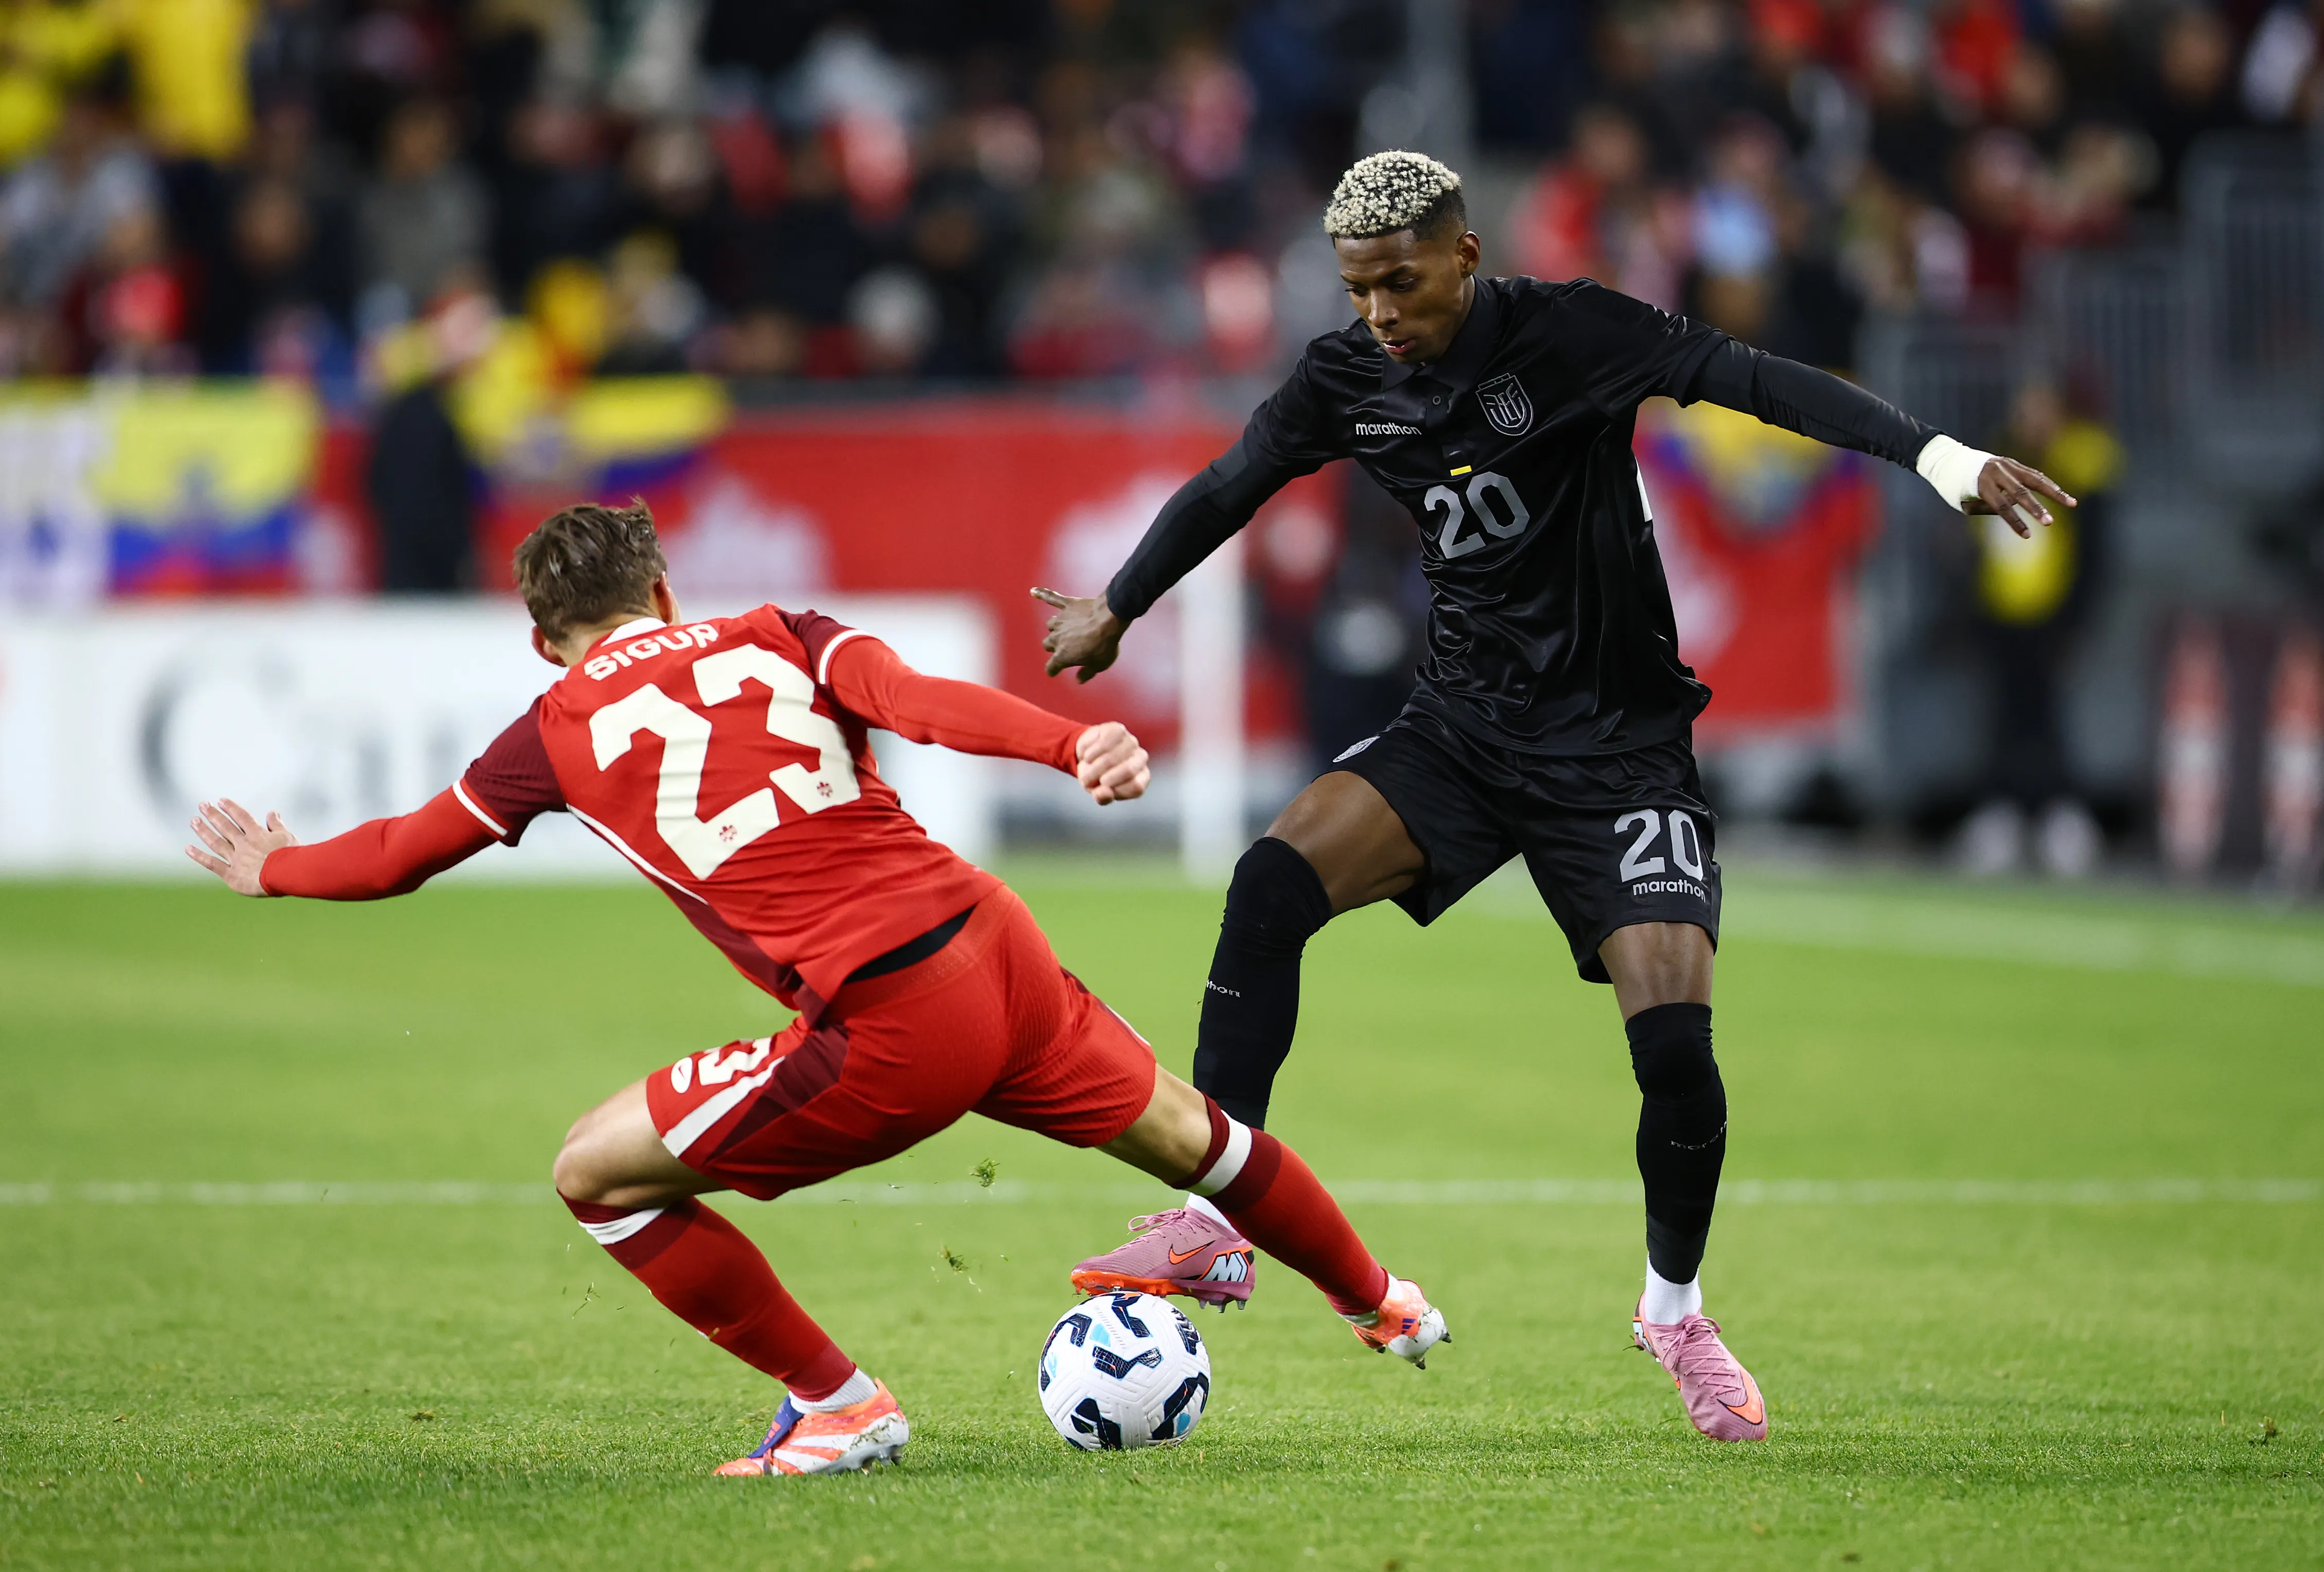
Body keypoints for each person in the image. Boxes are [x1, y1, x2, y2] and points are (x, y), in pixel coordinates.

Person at [1036, 151, 2073, 1444]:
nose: (1378, 315)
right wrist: (1119, 606)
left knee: (1676, 1058)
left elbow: (1753, 383)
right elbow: (1229, 484)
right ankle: (1214, 1215)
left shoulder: (1573, 332)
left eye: (1400, 283)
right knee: (1271, 880)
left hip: (1620, 752)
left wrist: (1936, 456)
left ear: (1464, 256)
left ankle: (1673, 1312)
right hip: (1463, 732)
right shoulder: (1343, 379)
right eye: (1359, 290)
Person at [184, 501, 1447, 1477]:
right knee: (1198, 1140)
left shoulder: (551, 730)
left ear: (542, 638)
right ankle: (1382, 1301)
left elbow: (404, 853)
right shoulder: (776, 632)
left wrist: (273, 870)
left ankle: (838, 1408)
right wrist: (1070, 742)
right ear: (665, 588)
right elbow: (919, 703)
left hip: (886, 1022)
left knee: (594, 1172)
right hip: (992, 943)